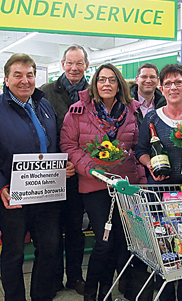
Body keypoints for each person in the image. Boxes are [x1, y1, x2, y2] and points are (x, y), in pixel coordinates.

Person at [0, 53, 74, 301]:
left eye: (30, 75)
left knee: (50, 249)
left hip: (46, 194)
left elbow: (54, 147)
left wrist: (63, 166)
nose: (25, 81)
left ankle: (42, 296)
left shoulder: (45, 106)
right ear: (6, 79)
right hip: (11, 197)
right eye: (17, 75)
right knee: (14, 253)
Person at [61, 63, 146, 301]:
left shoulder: (132, 111)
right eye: (101, 80)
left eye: (111, 80)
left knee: (120, 243)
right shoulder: (78, 111)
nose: (106, 84)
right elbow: (69, 145)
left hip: (125, 185)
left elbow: (137, 147)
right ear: (95, 84)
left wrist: (140, 180)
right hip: (95, 185)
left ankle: (105, 293)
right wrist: (89, 168)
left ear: (119, 84)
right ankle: (91, 293)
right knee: (104, 242)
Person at [135, 64, 182, 301]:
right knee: (163, 248)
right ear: (161, 88)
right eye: (167, 83)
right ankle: (165, 295)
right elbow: (141, 150)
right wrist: (150, 165)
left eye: (178, 82)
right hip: (158, 193)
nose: (173, 87)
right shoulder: (152, 118)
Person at [40, 44, 89, 295]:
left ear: (86, 66)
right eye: (70, 63)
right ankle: (53, 278)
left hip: (81, 174)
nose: (74, 68)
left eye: (79, 63)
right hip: (52, 173)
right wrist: (58, 163)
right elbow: (40, 133)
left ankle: (75, 276)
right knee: (51, 229)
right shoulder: (45, 93)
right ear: (62, 65)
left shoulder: (93, 94)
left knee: (75, 228)